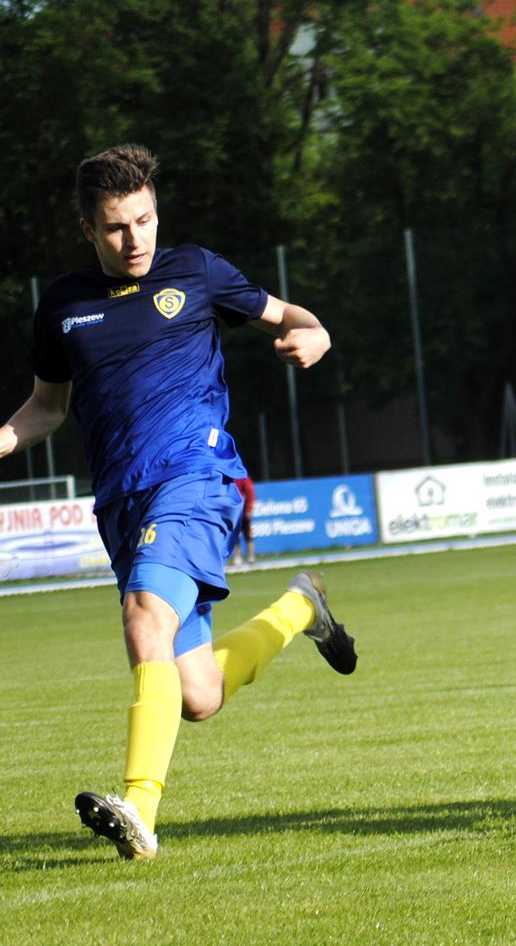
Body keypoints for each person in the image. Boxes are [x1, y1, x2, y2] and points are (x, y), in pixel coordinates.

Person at [0, 144, 357, 860]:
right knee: (197, 694)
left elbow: (291, 314)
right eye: (116, 227)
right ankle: (300, 606)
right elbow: (47, 406)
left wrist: (314, 333)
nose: (136, 239)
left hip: (196, 477)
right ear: (87, 230)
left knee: (142, 621)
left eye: (145, 219)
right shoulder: (63, 306)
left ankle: (140, 809)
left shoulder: (195, 270)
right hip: (124, 504)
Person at [227, 469, 256, 567]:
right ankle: (237, 558)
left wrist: (248, 510)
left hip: (243, 511)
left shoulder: (243, 478)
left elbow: (250, 494)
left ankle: (251, 558)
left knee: (248, 534)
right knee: (235, 535)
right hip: (233, 512)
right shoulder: (229, 478)